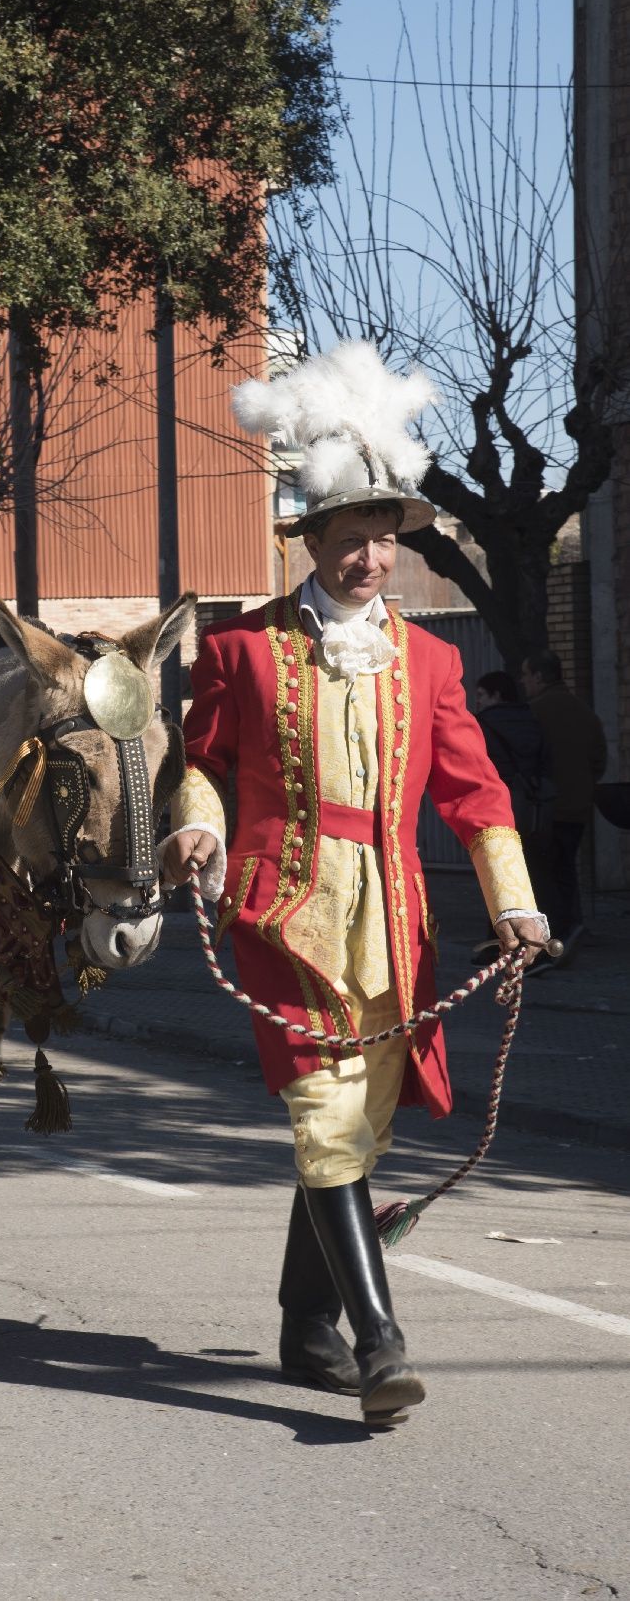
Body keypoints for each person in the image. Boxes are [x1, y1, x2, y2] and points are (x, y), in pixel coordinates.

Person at [162, 341, 548, 1428]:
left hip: (394, 918)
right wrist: (193, 828)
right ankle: (380, 1341)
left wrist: (515, 901)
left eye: (384, 540)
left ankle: (302, 1323)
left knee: (360, 1131)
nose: (370, 558)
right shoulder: (238, 649)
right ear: (312, 540)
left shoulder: (429, 665)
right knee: (325, 1119)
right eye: (350, 539)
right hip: (282, 912)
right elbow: (199, 760)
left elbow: (475, 793)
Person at [520, 648, 607, 960]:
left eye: (527, 675)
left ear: (540, 677)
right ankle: (572, 929)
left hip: (544, 809)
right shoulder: (584, 712)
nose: (524, 682)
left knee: (543, 875)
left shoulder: (533, 712)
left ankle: (551, 937)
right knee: (566, 869)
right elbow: (600, 761)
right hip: (577, 807)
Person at [471, 671, 554, 965]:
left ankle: (500, 946)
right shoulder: (533, 719)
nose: (477, 701)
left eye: (481, 695)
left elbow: (484, 770)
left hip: (501, 808)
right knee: (534, 875)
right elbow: (547, 760)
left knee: (496, 875)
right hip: (536, 806)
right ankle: (537, 945)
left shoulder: (484, 724)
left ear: (496, 695)